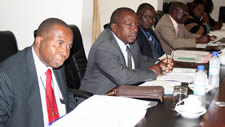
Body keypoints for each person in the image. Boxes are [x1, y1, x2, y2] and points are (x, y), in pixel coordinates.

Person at [0, 18, 76, 127]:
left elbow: (65, 96)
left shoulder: (57, 64)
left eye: (69, 46)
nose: (65, 52)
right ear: (39, 41)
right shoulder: (6, 76)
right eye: (60, 43)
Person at [80, 7, 173, 95]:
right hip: (99, 98)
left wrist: (158, 63)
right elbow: (122, 77)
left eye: (136, 25)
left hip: (122, 93)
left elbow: (139, 60)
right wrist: (152, 73)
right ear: (114, 27)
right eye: (129, 25)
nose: (135, 29)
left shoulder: (130, 39)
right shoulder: (104, 46)